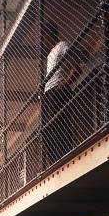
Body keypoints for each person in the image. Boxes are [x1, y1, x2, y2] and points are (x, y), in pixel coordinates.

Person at [41, 22, 81, 167]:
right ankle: (55, 161)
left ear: (48, 35)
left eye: (43, 36)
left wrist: (64, 84)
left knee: (59, 125)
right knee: (46, 131)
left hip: (58, 91)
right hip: (48, 93)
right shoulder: (49, 54)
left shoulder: (62, 46)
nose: (43, 41)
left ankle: (64, 157)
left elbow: (76, 68)